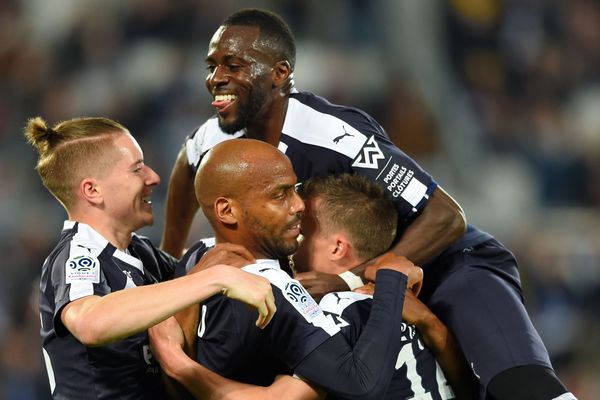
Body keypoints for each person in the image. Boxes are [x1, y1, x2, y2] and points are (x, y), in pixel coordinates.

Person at [160, 8, 575, 399]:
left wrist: (349, 281)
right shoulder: (216, 136)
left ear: (280, 73)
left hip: (449, 267)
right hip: (359, 290)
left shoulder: (333, 132)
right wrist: (170, 254)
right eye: (211, 66)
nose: (215, 77)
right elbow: (186, 167)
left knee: (519, 388)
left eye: (233, 65)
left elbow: (445, 217)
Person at [24, 116, 276, 399]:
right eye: (137, 169)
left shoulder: (140, 251)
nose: (153, 177)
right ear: (92, 191)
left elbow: (191, 288)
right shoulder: (76, 255)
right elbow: (90, 322)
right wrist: (214, 278)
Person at [153, 138, 423, 400]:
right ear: (227, 211)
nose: (299, 205)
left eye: (295, 188)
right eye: (280, 195)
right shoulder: (273, 288)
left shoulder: (199, 255)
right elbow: (362, 383)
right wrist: (392, 278)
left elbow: (175, 380)